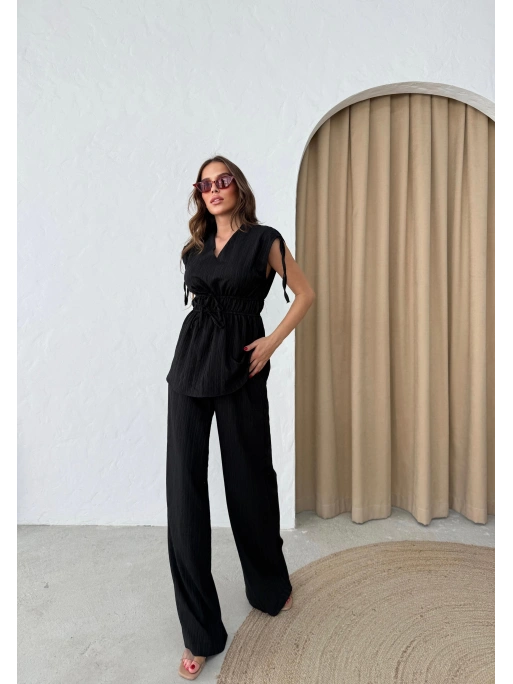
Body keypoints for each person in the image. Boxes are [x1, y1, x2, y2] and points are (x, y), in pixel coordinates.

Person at [165, 155, 316, 680]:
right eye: (204, 184)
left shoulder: (264, 240)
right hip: (190, 367)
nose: (213, 189)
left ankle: (269, 586)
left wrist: (271, 342)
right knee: (184, 494)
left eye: (222, 180)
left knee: (250, 480)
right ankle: (200, 632)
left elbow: (306, 294)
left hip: (242, 365)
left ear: (239, 187)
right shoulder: (195, 246)